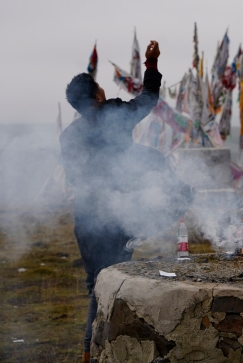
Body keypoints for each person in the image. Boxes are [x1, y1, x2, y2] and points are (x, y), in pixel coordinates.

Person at [60, 40, 162, 363]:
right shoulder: (113, 112)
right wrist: (151, 65)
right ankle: (114, 347)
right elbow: (147, 101)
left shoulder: (68, 136)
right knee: (119, 280)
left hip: (87, 219)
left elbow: (76, 179)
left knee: (96, 285)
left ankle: (90, 350)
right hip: (116, 218)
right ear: (98, 95)